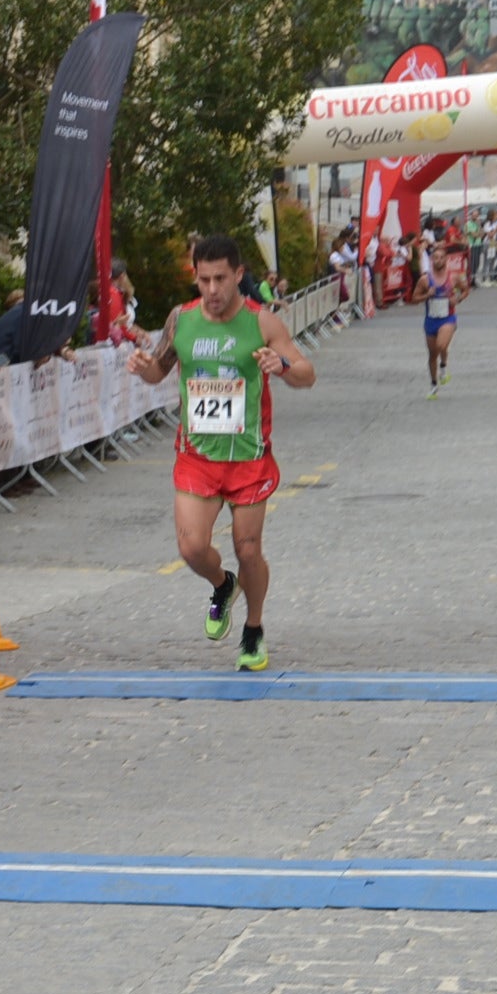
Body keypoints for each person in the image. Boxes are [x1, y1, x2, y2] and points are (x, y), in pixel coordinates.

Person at [125, 234, 316, 674]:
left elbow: (307, 374)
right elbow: (159, 371)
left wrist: (281, 367)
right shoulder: (181, 319)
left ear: (239, 276)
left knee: (248, 549)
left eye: (221, 280)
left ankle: (253, 627)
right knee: (192, 548)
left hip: (248, 456)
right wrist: (142, 368)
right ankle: (222, 584)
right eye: (204, 280)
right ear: (195, 276)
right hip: (197, 456)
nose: (212, 290)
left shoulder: (262, 323)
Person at [409, 241, 468, 394]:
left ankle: (444, 364)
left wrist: (458, 299)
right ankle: (434, 384)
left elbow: (466, 290)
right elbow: (414, 299)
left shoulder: (453, 277)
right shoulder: (425, 280)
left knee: (441, 345)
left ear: (446, 259)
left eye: (441, 258)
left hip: (447, 318)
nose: (438, 260)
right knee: (432, 354)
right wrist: (426, 295)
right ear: (431, 260)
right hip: (431, 320)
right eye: (435, 258)